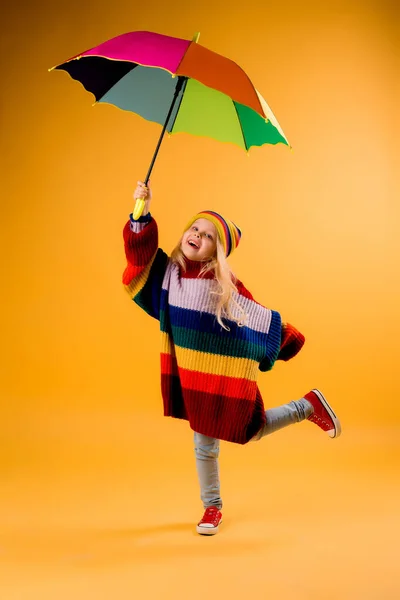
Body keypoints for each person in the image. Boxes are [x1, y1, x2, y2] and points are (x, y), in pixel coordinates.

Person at [123, 180, 341, 536]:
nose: (197, 235)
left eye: (208, 235)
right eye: (194, 228)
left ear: (216, 251)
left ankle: (306, 406)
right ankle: (212, 507)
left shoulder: (223, 284)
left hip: (222, 374)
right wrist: (140, 215)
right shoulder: (169, 275)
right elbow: (139, 259)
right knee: (205, 444)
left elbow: (252, 314)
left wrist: (284, 337)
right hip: (193, 375)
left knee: (250, 430)